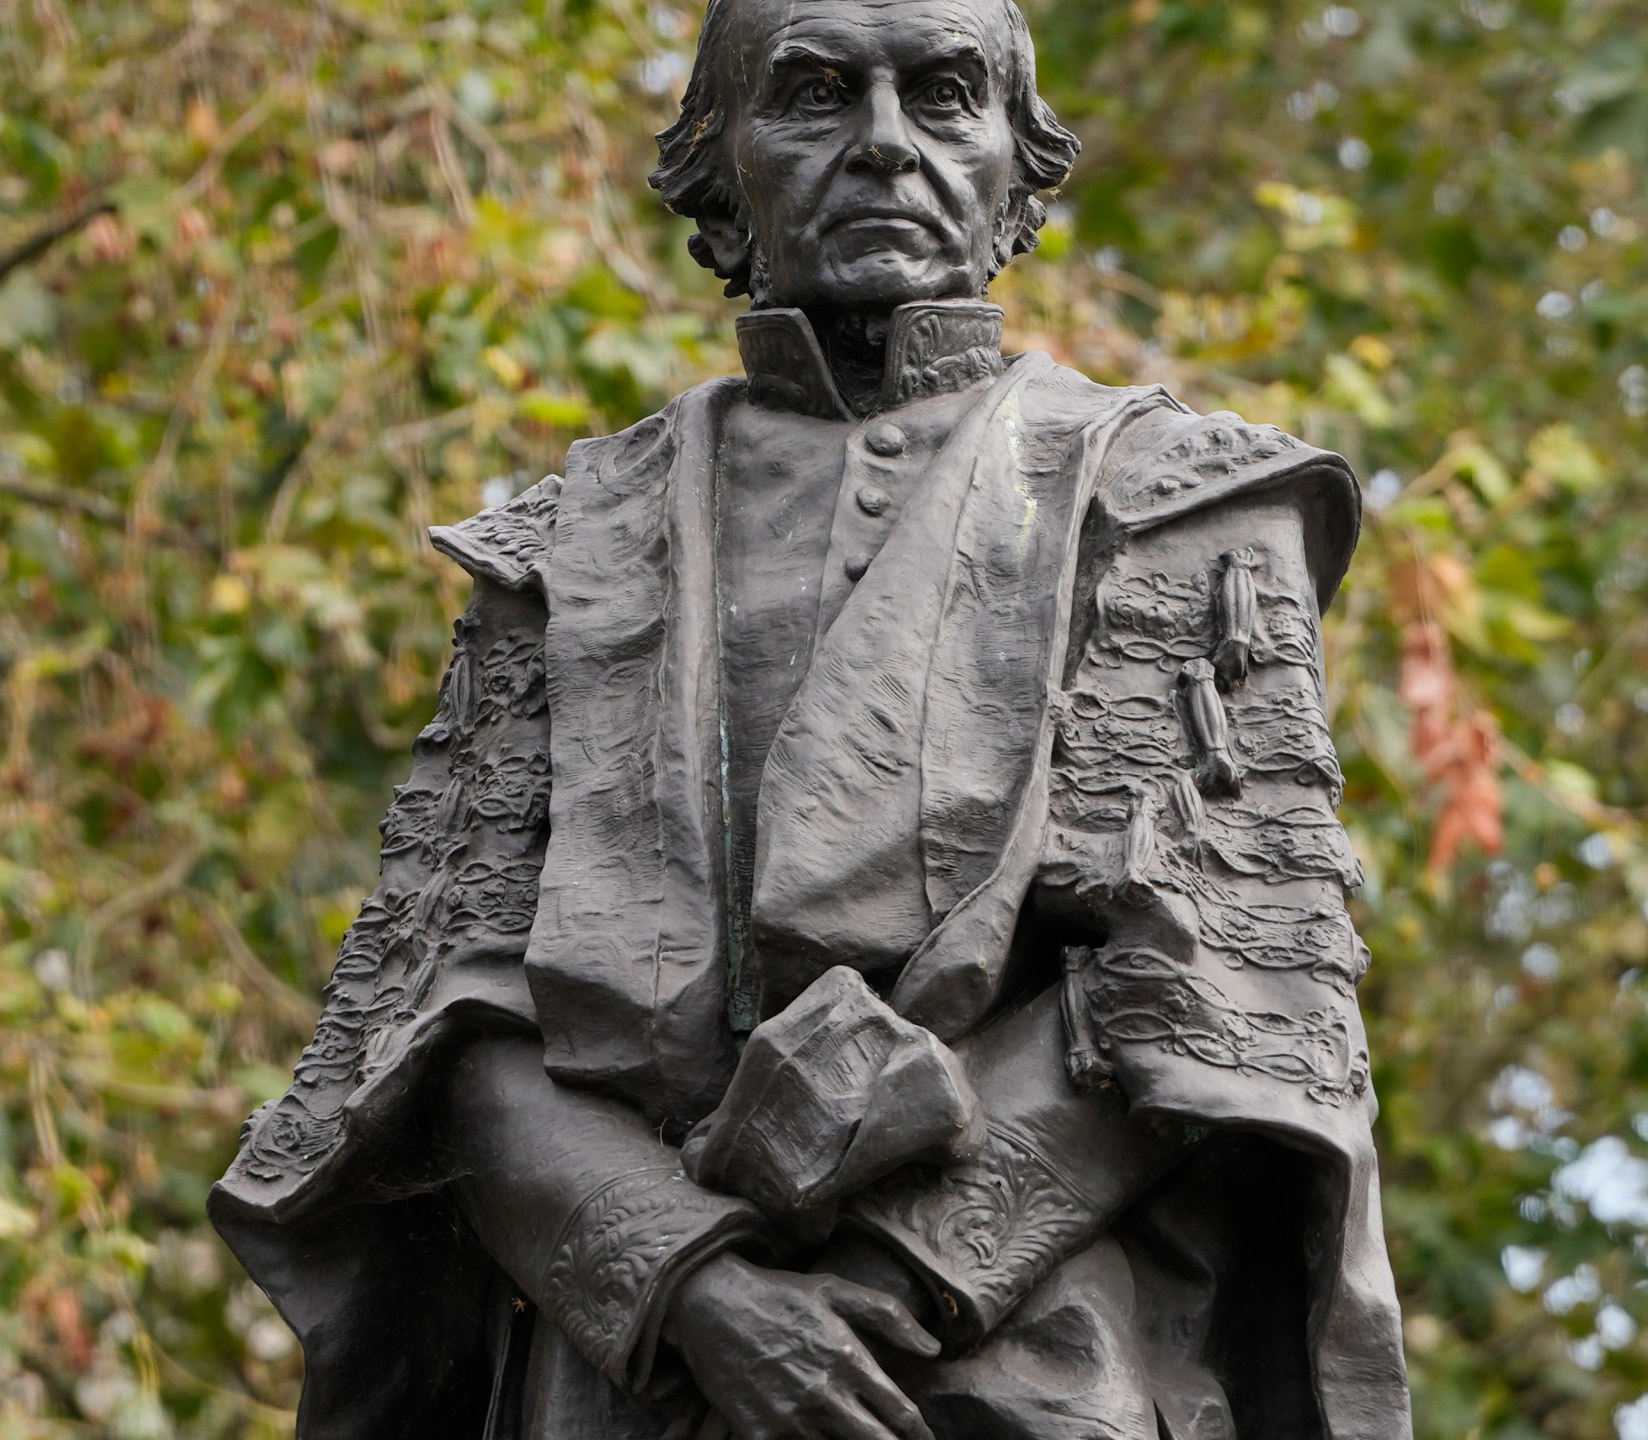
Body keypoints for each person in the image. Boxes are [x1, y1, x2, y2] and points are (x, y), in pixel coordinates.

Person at [210, 1, 1410, 1435]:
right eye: (818, 95)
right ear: (720, 163)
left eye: (946, 97)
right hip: (634, 1379)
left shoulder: (1181, 501)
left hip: (1031, 1375)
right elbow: (446, 1031)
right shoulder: (569, 546)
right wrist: (697, 1292)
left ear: (1017, 167)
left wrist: (892, 1292)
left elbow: (1211, 991)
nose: (886, 147)